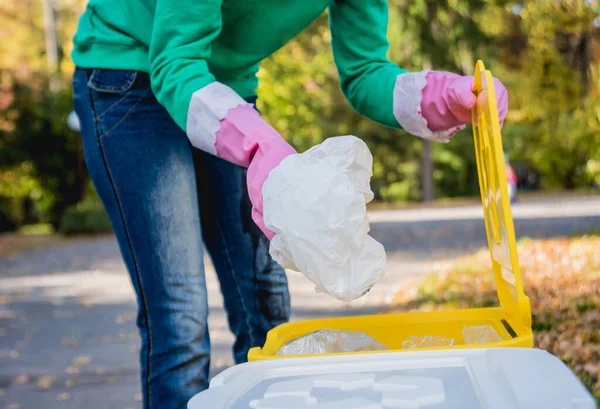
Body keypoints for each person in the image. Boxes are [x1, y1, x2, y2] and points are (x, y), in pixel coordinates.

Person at [70, 1, 509, 408]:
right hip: (129, 75)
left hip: (222, 87)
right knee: (179, 318)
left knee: (264, 303)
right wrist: (258, 145)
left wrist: (439, 96)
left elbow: (364, 69)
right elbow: (175, 62)